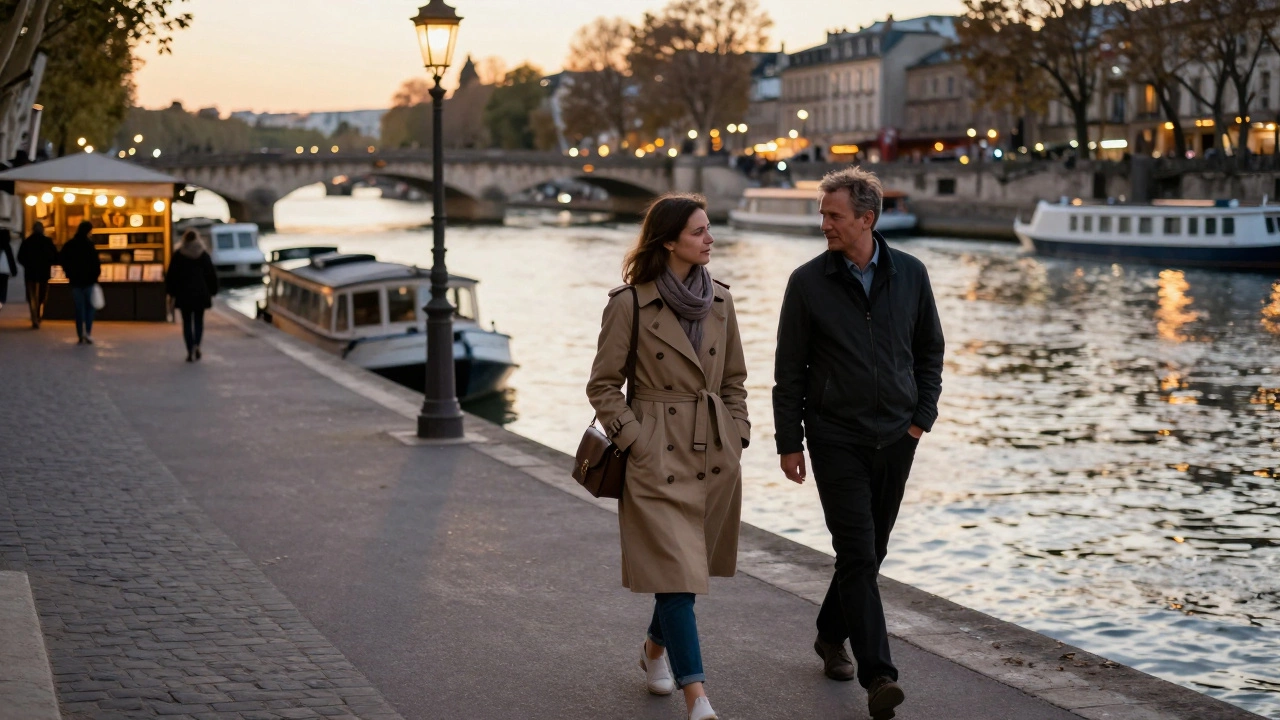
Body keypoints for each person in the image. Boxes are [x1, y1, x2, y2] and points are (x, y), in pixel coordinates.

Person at [773, 167, 944, 720]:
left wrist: (921, 418)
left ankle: (828, 634)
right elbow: (789, 370)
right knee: (857, 551)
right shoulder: (807, 282)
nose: (824, 224)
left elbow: (930, 351)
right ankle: (879, 676)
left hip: (898, 434)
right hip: (834, 436)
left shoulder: (912, 274)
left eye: (834, 216)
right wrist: (789, 441)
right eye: (823, 215)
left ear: (866, 219)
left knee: (870, 553)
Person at [586, 194, 749, 720]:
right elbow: (604, 385)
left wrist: (738, 433)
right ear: (670, 240)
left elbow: (733, 381)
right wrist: (637, 442)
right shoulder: (630, 303)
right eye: (700, 231)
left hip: (714, 457)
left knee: (686, 573)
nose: (710, 239)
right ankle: (697, 696)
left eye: (708, 230)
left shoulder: (721, 301)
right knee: (679, 576)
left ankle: (654, 651)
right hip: (656, 457)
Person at [165, 229, 219, 361]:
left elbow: (172, 276)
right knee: (199, 321)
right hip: (200, 294)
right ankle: (197, 345)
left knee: (187, 322)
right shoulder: (204, 255)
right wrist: (213, 291)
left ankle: (189, 349)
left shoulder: (178, 255)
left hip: (184, 294)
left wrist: (171, 293)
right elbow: (211, 275)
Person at [58, 221, 101, 344]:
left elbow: (62, 258)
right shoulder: (89, 245)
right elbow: (95, 263)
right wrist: (95, 276)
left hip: (75, 281)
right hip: (89, 281)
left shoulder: (70, 244)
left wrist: (68, 272)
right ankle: (87, 332)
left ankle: (79, 333)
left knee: (79, 308)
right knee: (89, 307)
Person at [17, 222, 57, 328]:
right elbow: (54, 256)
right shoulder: (47, 241)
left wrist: (27, 264)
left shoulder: (27, 242)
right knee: (42, 295)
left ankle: (34, 315)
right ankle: (39, 314)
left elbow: (20, 257)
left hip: (30, 273)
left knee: (31, 295)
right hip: (44, 272)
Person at [0, 228, 15, 312]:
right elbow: (11, 260)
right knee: (3, 288)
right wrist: (13, 271)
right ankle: (1, 301)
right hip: (5, 271)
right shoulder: (7, 246)